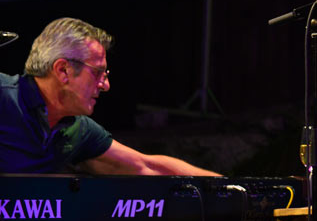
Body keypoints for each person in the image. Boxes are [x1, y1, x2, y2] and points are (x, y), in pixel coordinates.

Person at [0, 17, 218, 175]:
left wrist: (234, 189)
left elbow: (145, 166)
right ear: (63, 70)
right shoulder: (4, 97)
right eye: (97, 73)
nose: (106, 85)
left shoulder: (79, 130)